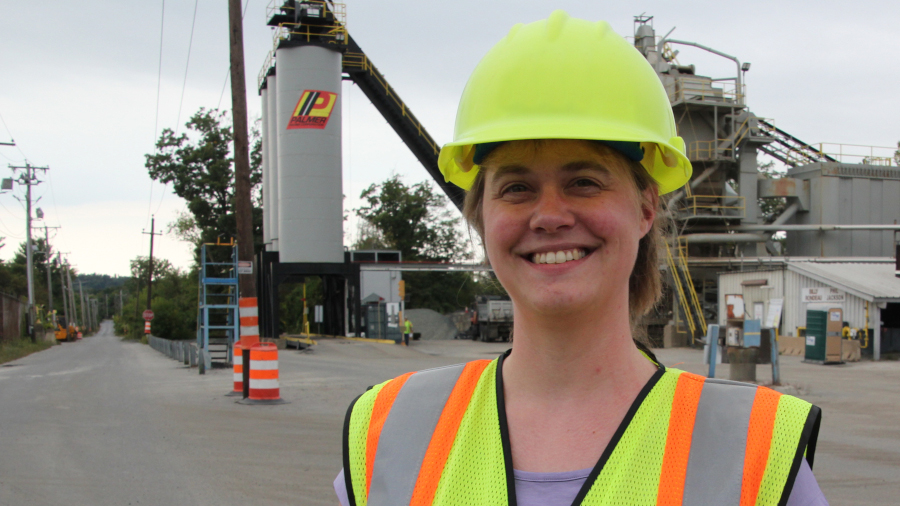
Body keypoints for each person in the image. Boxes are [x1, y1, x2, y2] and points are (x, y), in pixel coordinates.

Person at [335, 11, 824, 506]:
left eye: (584, 182)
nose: (549, 215)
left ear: (646, 208)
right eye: (517, 187)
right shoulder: (388, 434)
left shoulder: (756, 452)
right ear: (482, 214)